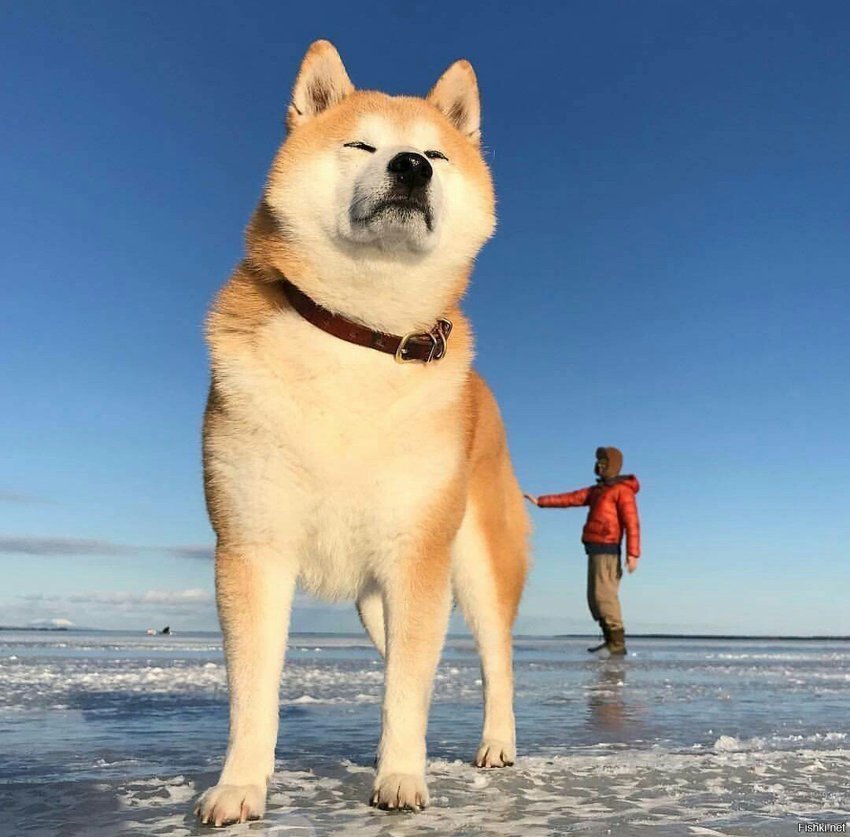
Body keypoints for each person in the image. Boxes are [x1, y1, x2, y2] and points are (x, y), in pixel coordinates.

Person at [524, 447, 640, 656]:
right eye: (599, 462)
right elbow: (571, 498)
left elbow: (632, 523)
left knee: (605, 597)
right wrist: (540, 501)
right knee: (594, 598)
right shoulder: (597, 490)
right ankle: (609, 640)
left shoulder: (622, 491)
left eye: (604, 462)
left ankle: (616, 643)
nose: (600, 466)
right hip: (594, 549)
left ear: (612, 465)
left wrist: (633, 554)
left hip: (608, 549)